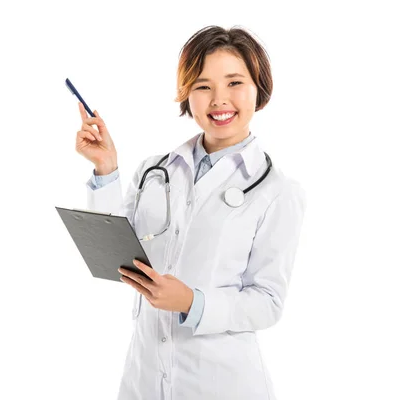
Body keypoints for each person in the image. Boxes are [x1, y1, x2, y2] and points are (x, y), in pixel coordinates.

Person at [74, 25, 306, 400]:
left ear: (258, 89)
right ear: (187, 94)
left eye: (235, 83)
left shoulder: (278, 191)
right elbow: (114, 254)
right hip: (143, 378)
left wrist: (192, 303)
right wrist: (106, 167)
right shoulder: (155, 171)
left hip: (223, 383)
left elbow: (268, 303)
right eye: (203, 86)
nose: (219, 100)